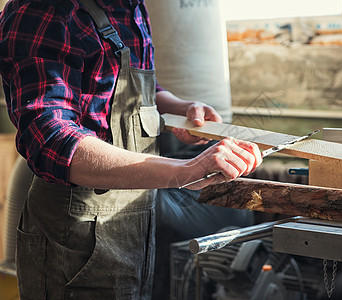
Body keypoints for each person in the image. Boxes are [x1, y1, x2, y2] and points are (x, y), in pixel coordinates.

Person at [0, 0, 262, 298]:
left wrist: (181, 109)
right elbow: (51, 140)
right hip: (73, 239)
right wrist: (185, 172)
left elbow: (128, 85)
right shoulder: (44, 9)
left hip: (136, 223)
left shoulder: (133, 8)